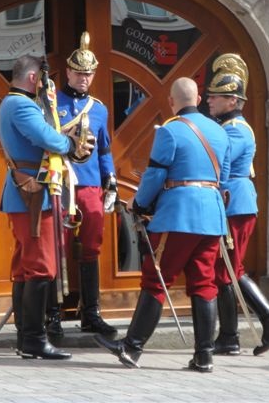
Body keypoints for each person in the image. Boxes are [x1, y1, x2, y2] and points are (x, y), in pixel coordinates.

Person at [94, 77, 231, 373]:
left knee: (157, 279)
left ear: (172, 101)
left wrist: (140, 204)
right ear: (199, 97)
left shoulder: (170, 130)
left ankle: (132, 347)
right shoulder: (219, 132)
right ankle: (205, 355)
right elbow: (225, 177)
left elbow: (156, 176)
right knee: (204, 283)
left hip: (179, 216)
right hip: (211, 217)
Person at [0, 54, 93, 360]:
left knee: (27, 268)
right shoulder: (21, 104)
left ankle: (27, 337)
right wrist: (69, 143)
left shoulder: (12, 103)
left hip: (27, 193)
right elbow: (46, 137)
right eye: (42, 80)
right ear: (32, 79)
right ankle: (34, 339)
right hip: (32, 194)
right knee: (41, 266)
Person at [205, 53, 269, 356]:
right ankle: (230, 337)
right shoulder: (227, 127)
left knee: (229, 269)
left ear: (232, 100)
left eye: (216, 96)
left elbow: (219, 165)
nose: (209, 100)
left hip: (235, 204)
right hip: (231, 205)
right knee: (223, 270)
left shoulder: (236, 130)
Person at [45, 31, 118, 337]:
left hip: (89, 184)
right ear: (69, 71)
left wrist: (110, 179)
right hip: (59, 182)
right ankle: (52, 316)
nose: (84, 79)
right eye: (79, 73)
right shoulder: (51, 102)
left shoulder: (98, 108)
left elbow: (104, 149)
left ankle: (91, 314)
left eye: (89, 74)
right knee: (55, 248)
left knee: (91, 247)